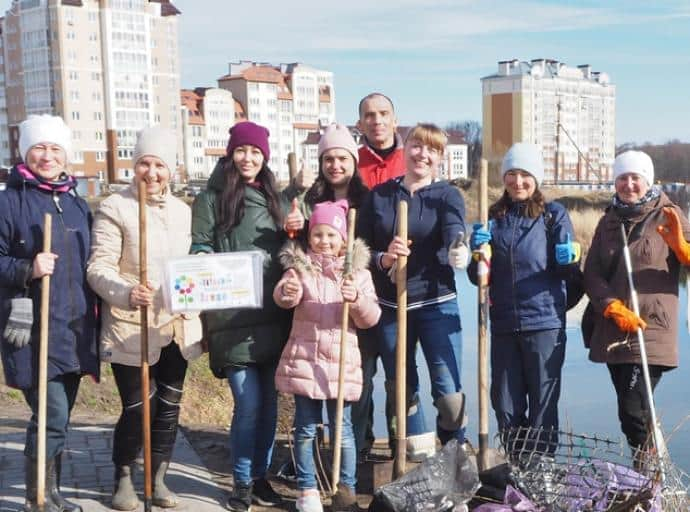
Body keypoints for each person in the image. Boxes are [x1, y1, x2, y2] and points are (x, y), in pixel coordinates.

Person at [87, 126, 204, 510]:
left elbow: (189, 264)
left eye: (159, 165)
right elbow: (98, 267)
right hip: (130, 325)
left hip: (175, 322)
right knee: (139, 406)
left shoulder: (183, 211)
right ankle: (124, 475)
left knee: (169, 406)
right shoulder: (114, 207)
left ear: (171, 170)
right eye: (144, 164)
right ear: (134, 166)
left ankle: (158, 478)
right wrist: (125, 291)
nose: (152, 173)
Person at [190, 121, 304, 512]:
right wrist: (205, 263)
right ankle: (240, 481)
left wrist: (294, 234)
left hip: (274, 312)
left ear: (264, 156)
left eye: (255, 152)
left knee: (270, 404)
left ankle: (260, 476)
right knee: (248, 402)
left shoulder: (276, 197)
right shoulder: (210, 198)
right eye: (241, 150)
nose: (248, 158)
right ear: (230, 152)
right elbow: (201, 245)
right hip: (231, 315)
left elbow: (291, 253)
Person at [0, 114, 99, 512]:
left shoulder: (76, 204)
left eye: (55, 148)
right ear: (26, 151)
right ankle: (35, 498)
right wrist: (27, 268)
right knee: (51, 414)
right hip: (33, 329)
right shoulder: (10, 200)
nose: (47, 155)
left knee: (57, 417)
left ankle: (51, 493)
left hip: (74, 330)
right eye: (39, 147)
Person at [358, 123, 469, 450]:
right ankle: (420, 460)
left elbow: (454, 229)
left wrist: (456, 249)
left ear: (440, 158)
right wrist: (385, 259)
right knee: (402, 391)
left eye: (432, 150)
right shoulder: (381, 196)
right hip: (393, 308)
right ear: (405, 151)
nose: (423, 154)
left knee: (449, 395)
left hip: (437, 303)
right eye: (417, 146)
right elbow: (360, 249)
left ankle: (452, 455)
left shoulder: (447, 195)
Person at [468, 142, 581, 458]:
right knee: (505, 402)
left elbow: (568, 272)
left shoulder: (552, 215)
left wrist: (568, 259)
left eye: (525, 175)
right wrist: (476, 253)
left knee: (543, 403)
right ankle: (519, 466)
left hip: (544, 324)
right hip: (503, 324)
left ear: (537, 178)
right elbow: (477, 278)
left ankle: (542, 469)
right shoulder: (492, 217)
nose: (518, 182)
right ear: (504, 178)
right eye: (512, 174)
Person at [274, 200, 381, 512]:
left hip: (340, 364)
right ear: (310, 238)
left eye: (331, 235)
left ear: (343, 240)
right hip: (306, 360)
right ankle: (307, 488)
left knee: (342, 428)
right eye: (318, 234)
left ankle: (344, 486)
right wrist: (288, 292)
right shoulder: (300, 269)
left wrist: (356, 299)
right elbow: (282, 295)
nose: (324, 241)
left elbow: (371, 317)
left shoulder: (357, 274)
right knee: (305, 427)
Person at [584, 150, 690, 457]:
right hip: (615, 329)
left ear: (648, 180)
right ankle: (647, 478)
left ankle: (651, 481)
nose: (629, 185)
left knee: (633, 410)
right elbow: (591, 274)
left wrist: (682, 248)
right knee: (631, 413)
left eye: (635, 178)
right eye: (622, 178)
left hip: (651, 328)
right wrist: (610, 306)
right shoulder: (608, 221)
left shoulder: (669, 214)